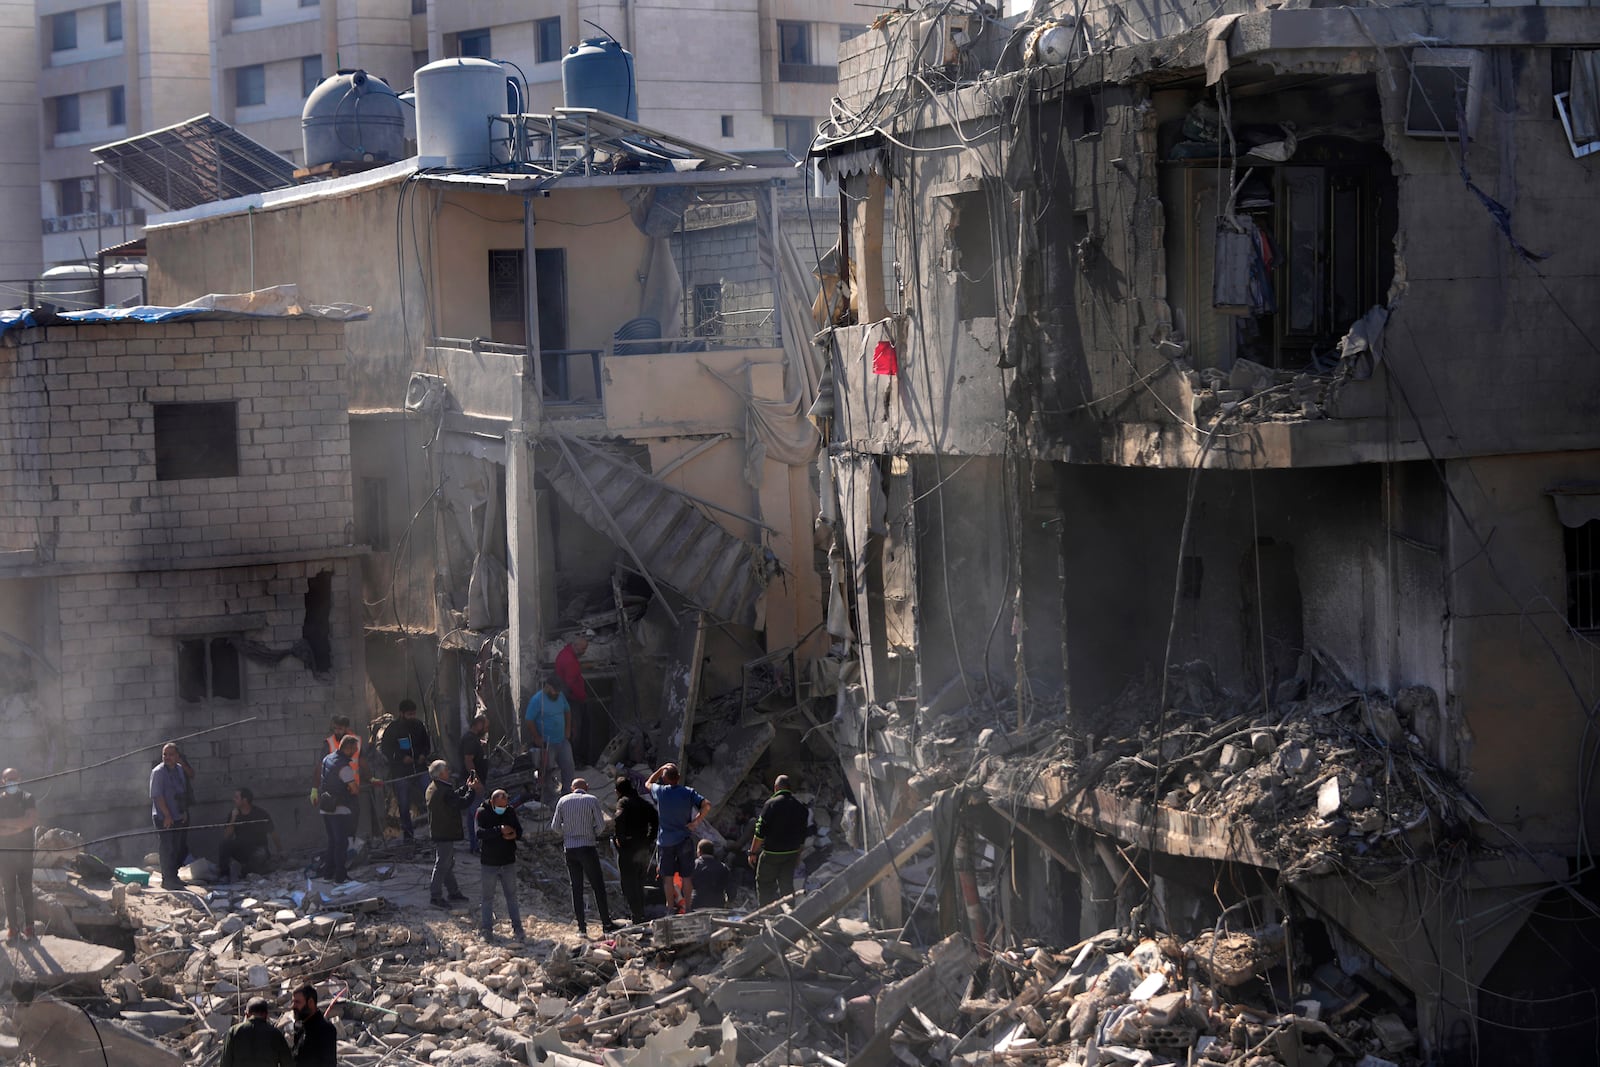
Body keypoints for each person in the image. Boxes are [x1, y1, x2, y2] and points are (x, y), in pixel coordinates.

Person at [551, 778, 619, 937]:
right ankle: (606, 924)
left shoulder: (562, 800)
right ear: (587, 787)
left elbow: (555, 827)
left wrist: (568, 833)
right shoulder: (591, 800)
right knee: (598, 886)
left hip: (570, 849)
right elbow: (601, 826)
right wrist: (591, 833)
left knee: (576, 888)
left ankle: (581, 928)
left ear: (572, 787)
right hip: (587, 848)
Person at [644, 763, 710, 914]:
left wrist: (660, 770)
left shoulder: (660, 791)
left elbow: (647, 783)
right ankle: (688, 907)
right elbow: (706, 805)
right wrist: (696, 822)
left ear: (665, 779)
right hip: (684, 839)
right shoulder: (688, 792)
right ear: (679, 778)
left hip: (665, 841)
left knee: (667, 877)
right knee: (686, 877)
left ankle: (669, 908)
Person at [749, 774, 811, 906]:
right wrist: (798, 855)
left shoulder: (770, 804)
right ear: (790, 788)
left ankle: (766, 915)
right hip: (791, 854)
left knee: (764, 884)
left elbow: (759, 832)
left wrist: (752, 852)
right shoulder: (800, 807)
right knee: (787, 886)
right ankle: (790, 915)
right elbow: (802, 835)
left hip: (772, 854)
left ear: (776, 787)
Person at [425, 759, 478, 909]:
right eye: (446, 770)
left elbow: (452, 797)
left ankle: (453, 891)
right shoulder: (443, 790)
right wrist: (471, 790)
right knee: (443, 864)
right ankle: (435, 896)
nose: (449, 771)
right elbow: (461, 803)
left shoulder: (434, 787)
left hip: (440, 829)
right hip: (445, 831)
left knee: (447, 863)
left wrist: (465, 788)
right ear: (441, 773)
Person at [476, 789, 525, 941]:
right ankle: (487, 930)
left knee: (511, 897)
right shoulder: (482, 812)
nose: (502, 809)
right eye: (499, 806)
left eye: (504, 805)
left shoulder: (510, 811)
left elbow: (519, 830)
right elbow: (479, 833)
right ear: (492, 802)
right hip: (489, 863)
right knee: (487, 898)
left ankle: (518, 928)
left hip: (508, 861)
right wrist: (499, 830)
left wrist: (513, 834)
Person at [379, 700, 431, 842]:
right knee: (403, 803)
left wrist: (423, 755)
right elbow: (386, 750)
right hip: (401, 773)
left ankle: (435, 832)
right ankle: (408, 836)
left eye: (414, 714)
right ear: (401, 714)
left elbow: (427, 745)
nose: (412, 716)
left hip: (420, 770)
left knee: (432, 797)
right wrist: (401, 759)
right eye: (409, 714)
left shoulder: (419, 726)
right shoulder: (392, 729)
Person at [612, 776, 658, 925]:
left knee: (628, 883)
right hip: (643, 847)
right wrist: (650, 838)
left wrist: (620, 839)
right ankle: (640, 914)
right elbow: (655, 818)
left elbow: (619, 818)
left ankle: (636, 916)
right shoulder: (644, 803)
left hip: (629, 848)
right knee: (639, 882)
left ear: (619, 791)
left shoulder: (623, 802)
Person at [0, 768, 38, 942]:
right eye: (8, 779)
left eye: (14, 778)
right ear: (2, 781)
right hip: (6, 855)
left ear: (20, 779)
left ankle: (29, 928)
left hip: (24, 853)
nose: (11, 782)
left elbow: (29, 821)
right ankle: (13, 929)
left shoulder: (27, 798)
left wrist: (5, 824)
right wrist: (19, 827)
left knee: (26, 891)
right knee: (8, 891)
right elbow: (22, 824)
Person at [150, 742, 193, 890]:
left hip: (178, 815)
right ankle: (167, 879)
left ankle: (174, 877)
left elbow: (182, 792)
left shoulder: (179, 770)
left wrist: (184, 812)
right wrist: (167, 815)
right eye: (165, 755)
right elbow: (157, 796)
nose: (167, 757)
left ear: (177, 756)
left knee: (177, 847)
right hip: (164, 817)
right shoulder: (158, 772)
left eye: (170, 755)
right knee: (167, 847)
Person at [524, 676, 575, 799]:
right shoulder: (537, 700)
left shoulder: (560, 696)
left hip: (562, 740)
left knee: (568, 767)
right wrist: (536, 736)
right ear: (547, 687)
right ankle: (548, 798)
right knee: (546, 771)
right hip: (547, 743)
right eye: (554, 690)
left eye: (558, 691)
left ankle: (567, 795)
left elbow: (567, 711)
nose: (556, 693)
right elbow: (529, 720)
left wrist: (568, 729)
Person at [218, 788, 282, 882]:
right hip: (241, 849)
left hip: (258, 848)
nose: (233, 800)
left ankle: (248, 870)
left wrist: (280, 851)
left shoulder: (260, 814)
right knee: (224, 845)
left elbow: (273, 833)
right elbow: (227, 836)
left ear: (245, 800)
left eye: (236, 797)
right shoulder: (234, 814)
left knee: (259, 857)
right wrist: (233, 819)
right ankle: (224, 875)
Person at [318, 736, 359, 883]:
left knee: (332, 842)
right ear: (347, 748)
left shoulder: (327, 758)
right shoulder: (344, 767)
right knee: (341, 843)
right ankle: (340, 877)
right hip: (339, 809)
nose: (355, 752)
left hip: (325, 806)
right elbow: (354, 789)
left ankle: (328, 874)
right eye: (354, 749)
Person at [220, 996, 292, 1067]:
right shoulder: (275, 1034)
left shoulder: (234, 1031)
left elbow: (225, 1063)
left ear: (247, 1014)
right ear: (266, 1015)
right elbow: (287, 1062)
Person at [458, 713, 490, 852]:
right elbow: (468, 760)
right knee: (476, 814)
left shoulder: (472, 739)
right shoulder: (470, 740)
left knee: (473, 814)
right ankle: (476, 845)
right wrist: (475, 781)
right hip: (474, 783)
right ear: (478, 724)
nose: (487, 728)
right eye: (485, 725)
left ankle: (475, 845)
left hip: (474, 781)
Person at [289, 983, 338, 1066]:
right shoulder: (299, 1026)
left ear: (310, 1003)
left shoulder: (325, 1029)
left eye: (297, 1002)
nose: (293, 1006)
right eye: (293, 1002)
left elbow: (329, 1063)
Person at [691, 840, 731, 910]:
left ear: (699, 851)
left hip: (697, 904)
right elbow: (730, 888)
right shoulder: (723, 867)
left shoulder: (693, 865)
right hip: (717, 905)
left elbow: (686, 885)